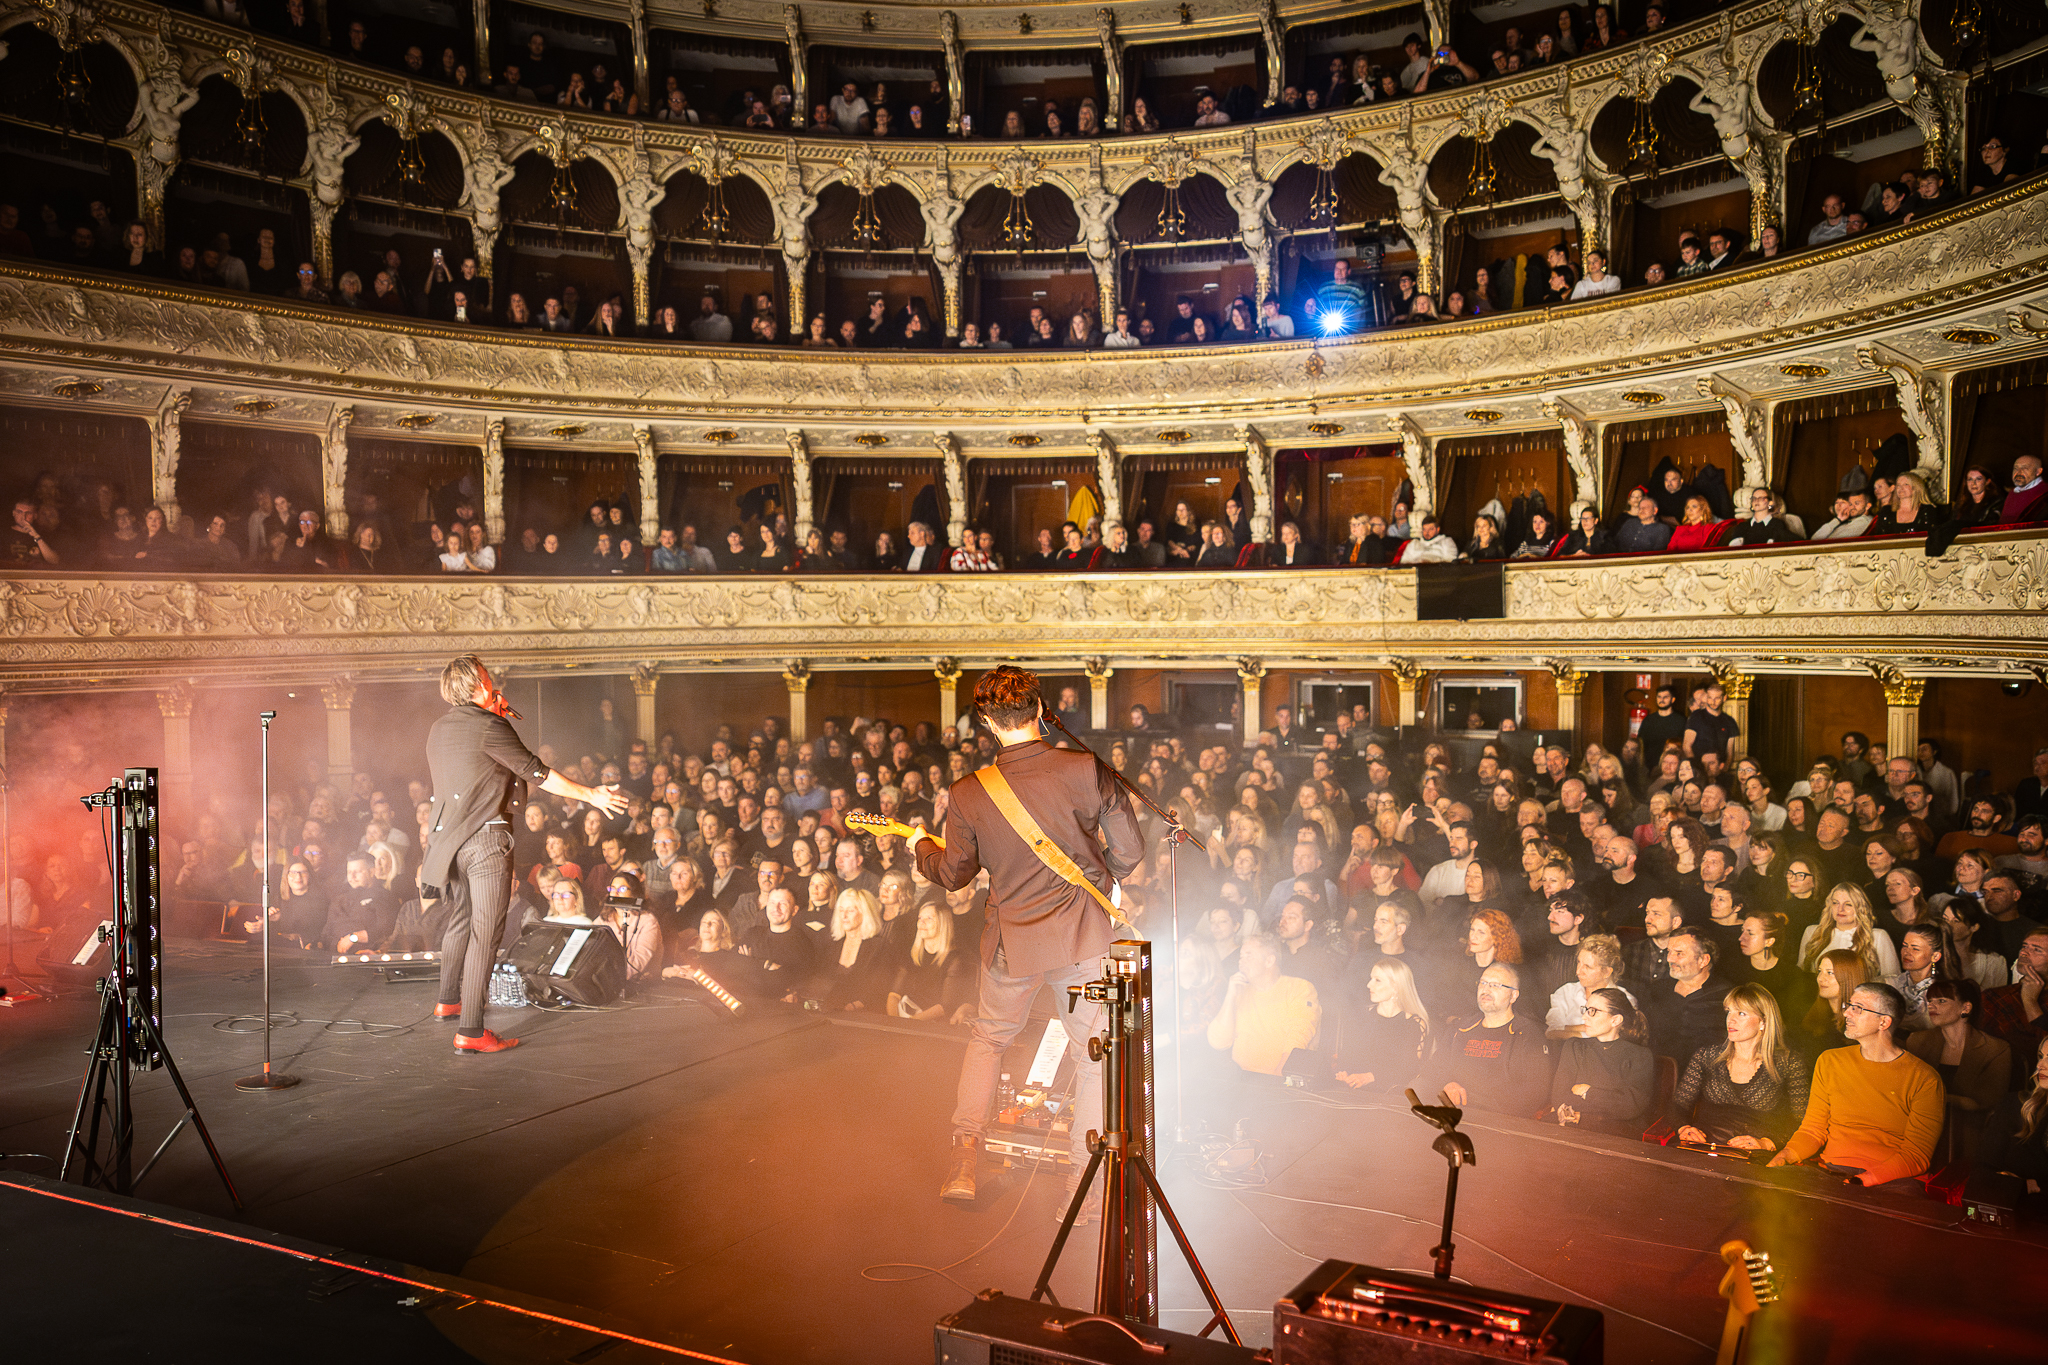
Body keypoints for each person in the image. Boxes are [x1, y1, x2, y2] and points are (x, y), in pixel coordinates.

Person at [908, 665, 1144, 1205]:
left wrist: (920, 847)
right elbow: (1130, 851)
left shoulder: (968, 792)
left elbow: (954, 875)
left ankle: (964, 1164)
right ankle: (1083, 1190)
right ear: (1040, 710)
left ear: (988, 723)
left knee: (989, 1041)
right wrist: (1099, 882)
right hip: (1082, 938)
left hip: (1010, 943)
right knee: (1093, 1058)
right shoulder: (1086, 769)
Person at [420, 655, 628, 1053]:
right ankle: (471, 1029)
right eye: (487, 677)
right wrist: (590, 795)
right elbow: (537, 772)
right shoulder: (487, 726)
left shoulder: (439, 728)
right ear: (477, 685)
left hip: (448, 842)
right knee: (486, 932)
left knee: (462, 918)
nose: (493, 681)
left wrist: (496, 716)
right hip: (485, 841)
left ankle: (448, 1000)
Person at [1768, 982, 1946, 1188]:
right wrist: (1786, 1155)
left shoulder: (1924, 1078)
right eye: (1849, 1006)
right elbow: (1812, 1130)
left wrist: (1863, 1181)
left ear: (1883, 1022)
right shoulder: (1830, 1061)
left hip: (1891, 1181)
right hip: (1832, 1171)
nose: (1846, 1013)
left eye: (1858, 1008)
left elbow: (1916, 1156)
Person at [1670, 983, 1812, 1150]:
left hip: (1754, 1155)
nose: (1731, 1019)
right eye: (1729, 1011)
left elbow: (1802, 1120)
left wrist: (1768, 1143)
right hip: (1704, 1148)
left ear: (1763, 1023)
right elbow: (1677, 1106)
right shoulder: (1707, 1056)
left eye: (1741, 1013)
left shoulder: (1788, 1062)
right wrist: (1684, 1128)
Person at [1431, 963, 1550, 1116]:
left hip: (1499, 1121)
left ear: (1513, 996)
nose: (1486, 990)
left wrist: (1475, 1102)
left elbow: (1535, 1094)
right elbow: (1433, 1068)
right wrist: (1447, 1083)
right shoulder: (1461, 1028)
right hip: (1451, 1115)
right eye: (1483, 983)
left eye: (1495, 985)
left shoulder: (1527, 1034)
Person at [1207, 934, 1323, 1076]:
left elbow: (1298, 1038)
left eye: (1249, 956)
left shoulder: (1299, 988)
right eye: (1241, 957)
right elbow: (1218, 1042)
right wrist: (1230, 996)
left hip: (1282, 1079)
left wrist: (1278, 1080)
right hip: (1241, 1078)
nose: (1241, 962)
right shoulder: (1240, 991)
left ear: (1269, 961)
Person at [1549, 987, 1654, 1132]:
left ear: (1615, 1020)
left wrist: (1588, 1092)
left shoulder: (1640, 1055)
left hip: (1615, 1134)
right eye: (1586, 1009)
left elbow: (1630, 1107)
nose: (1584, 1017)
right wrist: (1609, 1099)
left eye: (1593, 1011)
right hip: (1572, 1129)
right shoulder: (1575, 1046)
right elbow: (1559, 1096)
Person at [1333, 957, 1429, 1091]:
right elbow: (1347, 1054)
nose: (1369, 985)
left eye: (1377, 980)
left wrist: (1369, 1077)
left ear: (1396, 987)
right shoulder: (1362, 1016)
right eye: (1371, 979)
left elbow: (1408, 1070)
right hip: (1353, 1089)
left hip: (1388, 1094)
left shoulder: (1413, 1023)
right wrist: (1343, 1072)